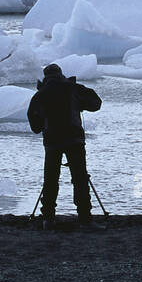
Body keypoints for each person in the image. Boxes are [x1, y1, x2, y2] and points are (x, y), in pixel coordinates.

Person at [27, 64, 102, 228]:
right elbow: (96, 103)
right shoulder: (73, 88)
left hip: (52, 142)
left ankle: (48, 219)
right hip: (74, 140)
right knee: (80, 179)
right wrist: (79, 103)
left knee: (51, 180)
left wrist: (43, 123)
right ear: (61, 74)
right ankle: (85, 219)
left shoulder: (40, 95)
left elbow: (35, 126)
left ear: (45, 77)